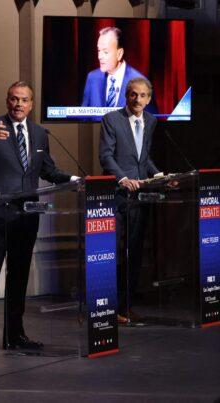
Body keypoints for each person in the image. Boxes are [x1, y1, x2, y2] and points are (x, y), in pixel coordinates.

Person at [0, 81, 78, 353]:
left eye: (24, 100)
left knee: (19, 277)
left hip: (26, 215)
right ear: (8, 101)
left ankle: (14, 335)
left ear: (31, 104)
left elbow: (49, 171)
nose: (18, 104)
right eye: (14, 99)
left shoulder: (40, 133)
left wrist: (75, 179)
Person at [99, 77, 162, 323]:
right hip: (116, 196)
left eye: (143, 95)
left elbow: (143, 158)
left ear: (149, 98)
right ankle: (109, 308)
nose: (138, 100)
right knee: (113, 252)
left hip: (139, 197)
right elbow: (106, 156)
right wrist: (122, 178)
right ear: (127, 96)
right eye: (133, 94)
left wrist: (158, 175)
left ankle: (126, 307)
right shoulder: (111, 119)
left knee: (133, 253)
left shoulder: (151, 121)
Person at [82, 26, 156, 114]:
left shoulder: (141, 83)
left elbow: (150, 122)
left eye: (105, 52)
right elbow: (83, 118)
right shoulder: (92, 78)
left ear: (119, 53)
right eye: (99, 51)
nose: (99, 56)